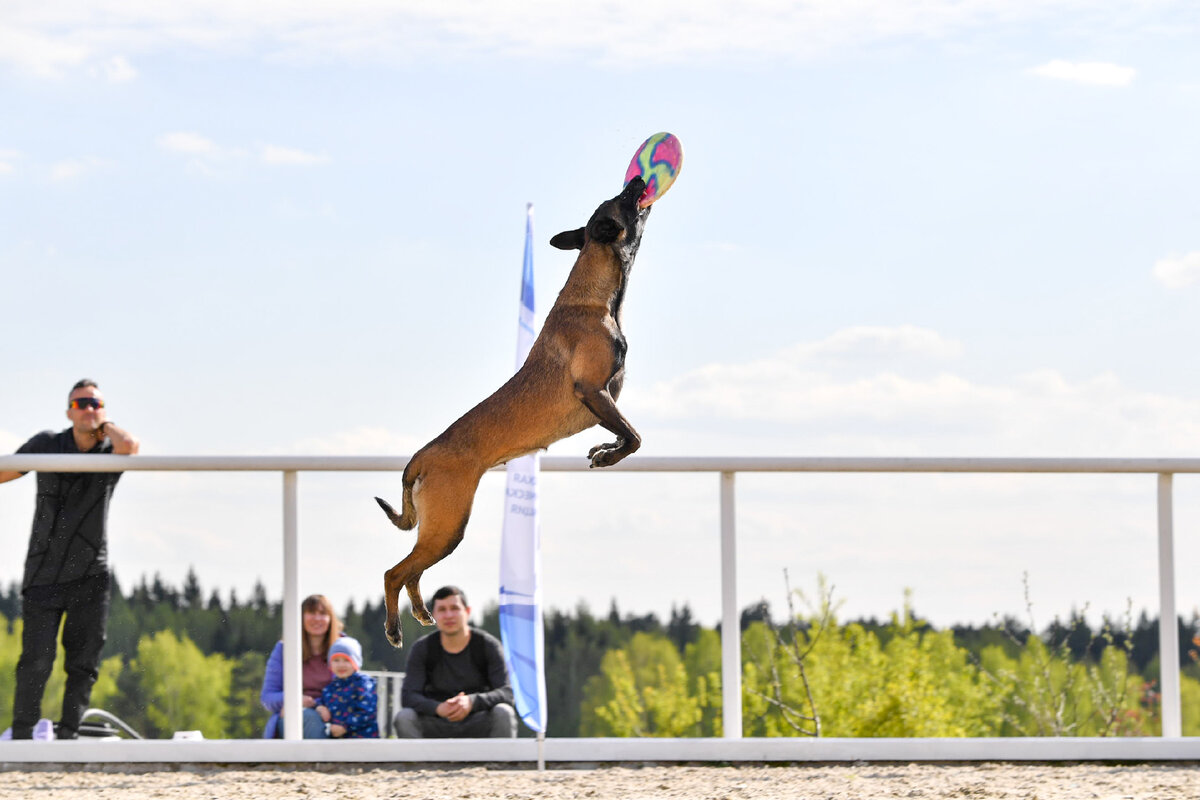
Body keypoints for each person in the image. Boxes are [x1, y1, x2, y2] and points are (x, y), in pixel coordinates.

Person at [0, 379, 140, 740]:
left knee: (83, 664)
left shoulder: (111, 449)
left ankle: (69, 737)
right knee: (35, 662)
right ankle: (21, 736)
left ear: (104, 411)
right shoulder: (47, 444)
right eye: (80, 404)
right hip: (43, 571)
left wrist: (103, 426)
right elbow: (5, 472)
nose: (88, 409)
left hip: (91, 573)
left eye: (95, 403)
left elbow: (131, 446)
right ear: (68, 412)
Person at [394, 585, 517, 738]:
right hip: (435, 723)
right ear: (433, 615)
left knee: (504, 713)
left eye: (454, 608)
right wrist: (438, 708)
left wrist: (472, 702)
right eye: (442, 610)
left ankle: (499, 762)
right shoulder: (422, 649)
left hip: (478, 720)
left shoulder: (488, 645)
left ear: (467, 612)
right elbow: (408, 696)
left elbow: (507, 693)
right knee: (405, 717)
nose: (449, 615)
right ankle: (417, 763)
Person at [260, 593, 344, 738]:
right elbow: (267, 697)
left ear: (331, 619)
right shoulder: (283, 649)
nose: (317, 618)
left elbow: (352, 687)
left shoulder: (343, 646)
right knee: (309, 718)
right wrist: (294, 700)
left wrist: (318, 705)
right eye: (311, 613)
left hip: (333, 714)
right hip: (295, 716)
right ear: (300, 617)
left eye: (322, 614)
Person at [315, 636, 379, 738]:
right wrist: (319, 707)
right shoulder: (330, 687)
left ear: (355, 662)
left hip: (363, 739)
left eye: (346, 660)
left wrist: (345, 727)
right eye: (336, 660)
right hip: (337, 741)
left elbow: (367, 711)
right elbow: (322, 701)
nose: (341, 665)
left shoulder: (363, 683)